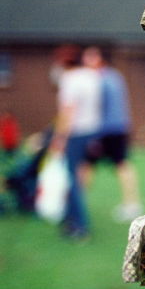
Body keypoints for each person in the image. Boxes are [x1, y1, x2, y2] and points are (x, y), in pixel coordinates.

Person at [80, 47, 143, 222]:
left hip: (104, 130)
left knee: (89, 165)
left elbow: (97, 108)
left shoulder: (98, 80)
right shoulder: (115, 76)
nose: (86, 61)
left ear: (100, 59)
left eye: (90, 57)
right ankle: (132, 203)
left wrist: (93, 134)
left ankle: (78, 203)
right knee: (114, 165)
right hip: (119, 128)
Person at [49, 45, 102, 239]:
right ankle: (68, 216)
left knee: (72, 179)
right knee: (80, 178)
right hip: (92, 132)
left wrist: (60, 137)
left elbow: (68, 111)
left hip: (76, 134)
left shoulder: (69, 80)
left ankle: (79, 226)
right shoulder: (91, 76)